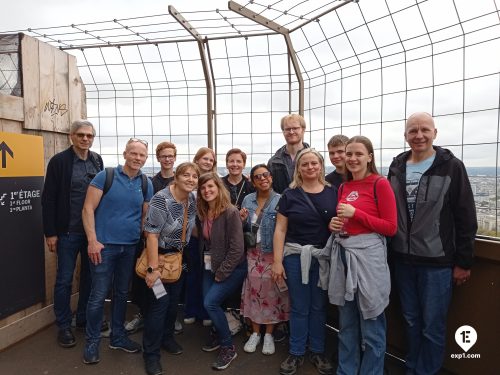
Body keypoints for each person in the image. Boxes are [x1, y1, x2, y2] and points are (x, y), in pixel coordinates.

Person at [387, 112, 477, 375]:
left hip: (437, 263)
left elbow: (465, 215)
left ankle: (427, 371)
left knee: (432, 326)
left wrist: (463, 262)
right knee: (411, 321)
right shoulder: (397, 166)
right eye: (413, 131)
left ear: (435, 133)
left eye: (424, 129)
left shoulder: (451, 166)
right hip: (402, 259)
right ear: (405, 136)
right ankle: (413, 367)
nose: (419, 135)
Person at [328, 136, 397, 375]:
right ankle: (346, 371)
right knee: (346, 323)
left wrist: (355, 213)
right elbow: (344, 221)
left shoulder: (380, 184)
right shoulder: (344, 187)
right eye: (349, 154)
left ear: (370, 157)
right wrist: (335, 224)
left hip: (369, 260)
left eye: (358, 154)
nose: (352, 159)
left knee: (372, 323)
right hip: (345, 257)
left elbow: (390, 227)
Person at [81, 138, 153, 365]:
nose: (137, 158)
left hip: (129, 247)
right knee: (98, 295)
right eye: (133, 153)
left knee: (122, 293)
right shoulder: (106, 176)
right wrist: (92, 240)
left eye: (141, 155)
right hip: (103, 247)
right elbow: (87, 208)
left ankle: (118, 336)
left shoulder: (145, 183)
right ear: (125, 154)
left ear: (145, 158)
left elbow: (145, 216)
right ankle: (92, 342)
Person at [272, 148, 336, 375]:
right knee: (299, 306)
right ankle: (297, 351)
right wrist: (277, 262)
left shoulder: (333, 192)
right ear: (298, 168)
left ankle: (317, 350)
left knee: (319, 306)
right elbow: (280, 229)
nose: (310, 167)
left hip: (323, 257)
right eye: (305, 164)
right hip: (295, 256)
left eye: (314, 163)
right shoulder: (290, 195)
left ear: (321, 165)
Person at [41, 120, 103, 348]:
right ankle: (64, 325)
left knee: (89, 278)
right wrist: (50, 233)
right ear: (71, 136)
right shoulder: (59, 162)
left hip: (91, 234)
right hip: (66, 232)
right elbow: (48, 199)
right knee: (65, 280)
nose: (85, 139)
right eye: (81, 135)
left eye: (89, 135)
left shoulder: (97, 160)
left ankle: (83, 318)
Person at [141, 162, 199, 375]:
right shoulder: (161, 199)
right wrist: (153, 269)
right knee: (159, 304)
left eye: (194, 176)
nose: (191, 179)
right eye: (186, 175)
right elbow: (152, 235)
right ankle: (151, 354)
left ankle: (167, 339)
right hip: (160, 260)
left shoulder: (191, 199)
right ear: (176, 176)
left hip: (179, 260)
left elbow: (191, 229)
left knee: (173, 303)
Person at [126, 141, 179, 334]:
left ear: (175, 158)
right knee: (149, 280)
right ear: (158, 158)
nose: (167, 159)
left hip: (173, 244)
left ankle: (167, 319)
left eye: (170, 156)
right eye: (164, 156)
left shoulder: (180, 181)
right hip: (151, 239)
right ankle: (146, 314)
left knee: (171, 280)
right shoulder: (150, 182)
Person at [197, 172, 247, 370]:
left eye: (211, 186)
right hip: (210, 265)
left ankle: (228, 347)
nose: (207, 191)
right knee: (207, 302)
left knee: (211, 302)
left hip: (231, 267)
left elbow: (237, 249)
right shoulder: (203, 212)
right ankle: (218, 333)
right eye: (203, 188)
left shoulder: (230, 212)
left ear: (218, 188)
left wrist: (222, 272)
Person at [239, 164, 289, 355]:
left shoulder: (281, 200)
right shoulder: (248, 199)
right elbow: (244, 228)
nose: (262, 179)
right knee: (253, 293)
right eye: (257, 176)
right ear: (252, 180)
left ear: (271, 177)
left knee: (273, 294)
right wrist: (242, 219)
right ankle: (255, 332)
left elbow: (284, 229)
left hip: (272, 254)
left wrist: (279, 259)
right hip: (253, 254)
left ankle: (269, 334)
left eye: (266, 175)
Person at [183, 147, 217, 326]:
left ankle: (205, 312)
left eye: (211, 160)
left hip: (208, 240)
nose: (208, 162)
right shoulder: (189, 184)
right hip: (191, 238)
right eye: (205, 159)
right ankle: (191, 309)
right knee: (192, 274)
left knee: (207, 274)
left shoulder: (214, 183)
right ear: (196, 160)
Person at [268, 114, 310, 194]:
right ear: (283, 131)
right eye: (287, 129)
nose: (291, 132)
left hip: (307, 204)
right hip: (282, 204)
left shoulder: (315, 159)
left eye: (295, 128)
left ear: (303, 130)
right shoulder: (273, 161)